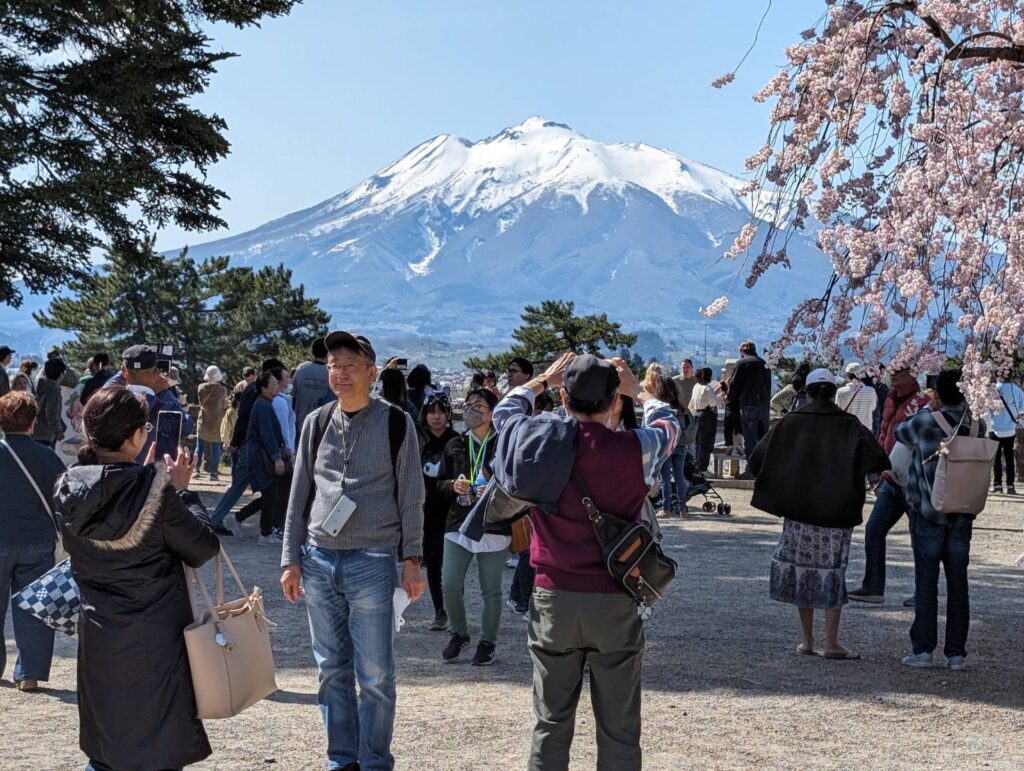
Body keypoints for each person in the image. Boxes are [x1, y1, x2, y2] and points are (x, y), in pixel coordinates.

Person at [493, 353, 679, 771]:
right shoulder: (634, 449)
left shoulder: (534, 442)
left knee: (551, 721)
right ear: (615, 400)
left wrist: (539, 380)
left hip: (553, 593)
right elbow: (670, 426)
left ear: (563, 396)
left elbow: (504, 411)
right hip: (615, 596)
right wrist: (641, 391)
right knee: (619, 726)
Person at [279, 330, 425, 771]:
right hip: (319, 558)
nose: (340, 373)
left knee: (376, 675)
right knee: (331, 671)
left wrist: (413, 560)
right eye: (333, 365)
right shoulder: (316, 422)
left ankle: (375, 761)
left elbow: (412, 496)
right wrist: (290, 558)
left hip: (373, 559)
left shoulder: (397, 422)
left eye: (349, 364)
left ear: (371, 372)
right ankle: (342, 760)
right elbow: (299, 493)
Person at [53, 387, 220, 770]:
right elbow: (203, 547)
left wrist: (140, 473)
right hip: (157, 635)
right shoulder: (156, 492)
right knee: (158, 745)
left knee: (106, 744)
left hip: (98, 631)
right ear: (136, 436)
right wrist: (182, 491)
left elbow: (107, 495)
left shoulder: (67, 488)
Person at [750, 368, 889, 660]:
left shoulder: (790, 423)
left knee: (804, 573)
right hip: (838, 513)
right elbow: (878, 459)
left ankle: (807, 640)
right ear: (832, 391)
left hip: (799, 512)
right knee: (832, 573)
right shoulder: (849, 424)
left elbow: (756, 460)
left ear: (809, 392)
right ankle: (832, 642)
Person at [897, 370, 986, 670]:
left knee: (926, 582)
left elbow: (900, 433)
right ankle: (956, 654)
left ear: (937, 393)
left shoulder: (925, 422)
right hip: (963, 510)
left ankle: (923, 650)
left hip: (929, 511)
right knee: (958, 584)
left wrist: (929, 407)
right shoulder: (977, 425)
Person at [848, 366, 930, 604]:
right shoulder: (890, 400)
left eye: (901, 372)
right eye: (893, 371)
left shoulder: (923, 403)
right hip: (891, 478)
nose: (894, 375)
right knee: (874, 529)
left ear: (915, 375)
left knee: (920, 537)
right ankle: (873, 586)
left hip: (914, 480)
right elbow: (884, 434)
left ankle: (922, 593)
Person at [0, 391, 65, 692]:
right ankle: (30, 671)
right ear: (33, 422)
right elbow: (62, 503)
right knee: (35, 605)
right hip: (37, 541)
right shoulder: (47, 457)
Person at [437, 388, 507, 665]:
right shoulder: (455, 443)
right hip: (458, 521)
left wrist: (491, 488)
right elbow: (438, 482)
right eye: (468, 405)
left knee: (491, 588)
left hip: (494, 522)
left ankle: (487, 642)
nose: (471, 409)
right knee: (450, 583)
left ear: (492, 412)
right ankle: (460, 633)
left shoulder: (503, 443)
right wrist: (452, 485)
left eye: (478, 405)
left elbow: (515, 481)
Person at [210, 358, 285, 530]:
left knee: (240, 487)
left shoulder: (255, 391)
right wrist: (236, 442)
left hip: (247, 446)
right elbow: (243, 419)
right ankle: (219, 520)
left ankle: (219, 519)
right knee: (254, 488)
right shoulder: (258, 396)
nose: (280, 382)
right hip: (251, 449)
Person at [103, 345, 195, 461]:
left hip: (115, 475)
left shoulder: (107, 403)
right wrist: (164, 392)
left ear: (124, 372)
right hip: (151, 476)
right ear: (157, 372)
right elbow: (187, 425)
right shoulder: (167, 407)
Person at [418, 391, 459, 631]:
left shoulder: (457, 440)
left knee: (454, 562)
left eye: (441, 411)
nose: (436, 417)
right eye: (431, 411)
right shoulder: (418, 440)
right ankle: (439, 611)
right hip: (427, 507)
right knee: (432, 561)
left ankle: (456, 609)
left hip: (453, 508)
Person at [241, 371, 288, 547]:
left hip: (263, 454)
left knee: (270, 494)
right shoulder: (263, 406)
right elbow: (266, 434)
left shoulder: (265, 404)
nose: (277, 387)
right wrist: (277, 458)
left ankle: (243, 518)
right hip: (263, 456)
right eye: (273, 384)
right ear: (263, 388)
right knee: (271, 493)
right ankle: (265, 532)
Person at [728, 341, 772, 462]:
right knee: (762, 437)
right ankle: (762, 466)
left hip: (748, 404)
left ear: (742, 352)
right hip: (764, 406)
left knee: (750, 437)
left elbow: (734, 385)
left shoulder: (741, 363)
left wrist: (729, 398)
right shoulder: (764, 364)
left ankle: (751, 467)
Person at [654, 375, 690, 516]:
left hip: (666, 445)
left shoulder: (660, 408)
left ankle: (666, 508)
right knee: (679, 477)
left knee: (665, 479)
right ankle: (683, 509)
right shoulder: (681, 407)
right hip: (680, 444)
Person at [987, 375, 1024, 494]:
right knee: (1009, 457)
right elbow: (1022, 409)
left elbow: (986, 409)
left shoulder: (993, 389)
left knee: (996, 458)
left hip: (994, 427)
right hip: (1010, 429)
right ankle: (1010, 485)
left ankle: (997, 484)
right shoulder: (1017, 390)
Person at [195, 366, 229, 481]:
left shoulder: (201, 387)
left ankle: (196, 470)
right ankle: (213, 473)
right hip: (216, 422)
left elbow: (201, 403)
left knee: (199, 447)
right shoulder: (222, 390)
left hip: (203, 421)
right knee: (216, 449)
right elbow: (225, 405)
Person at [292, 337, 331, 432]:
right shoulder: (331, 375)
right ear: (328, 353)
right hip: (324, 425)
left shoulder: (300, 372)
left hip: (300, 424)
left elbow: (293, 398)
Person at [689, 366, 721, 474]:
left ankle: (697, 465)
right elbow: (713, 403)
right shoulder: (707, 388)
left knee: (699, 441)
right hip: (707, 416)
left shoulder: (696, 387)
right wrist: (722, 395)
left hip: (697, 414)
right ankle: (703, 467)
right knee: (707, 441)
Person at [32, 359, 67, 448]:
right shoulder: (54, 389)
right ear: (60, 374)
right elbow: (51, 412)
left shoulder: (41, 385)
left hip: (35, 430)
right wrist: (58, 432)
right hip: (47, 433)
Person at [837, 362, 878, 431]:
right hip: (866, 430)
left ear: (847, 375)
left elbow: (838, 410)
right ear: (861, 375)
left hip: (847, 430)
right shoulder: (871, 391)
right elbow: (873, 408)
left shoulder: (841, 392)